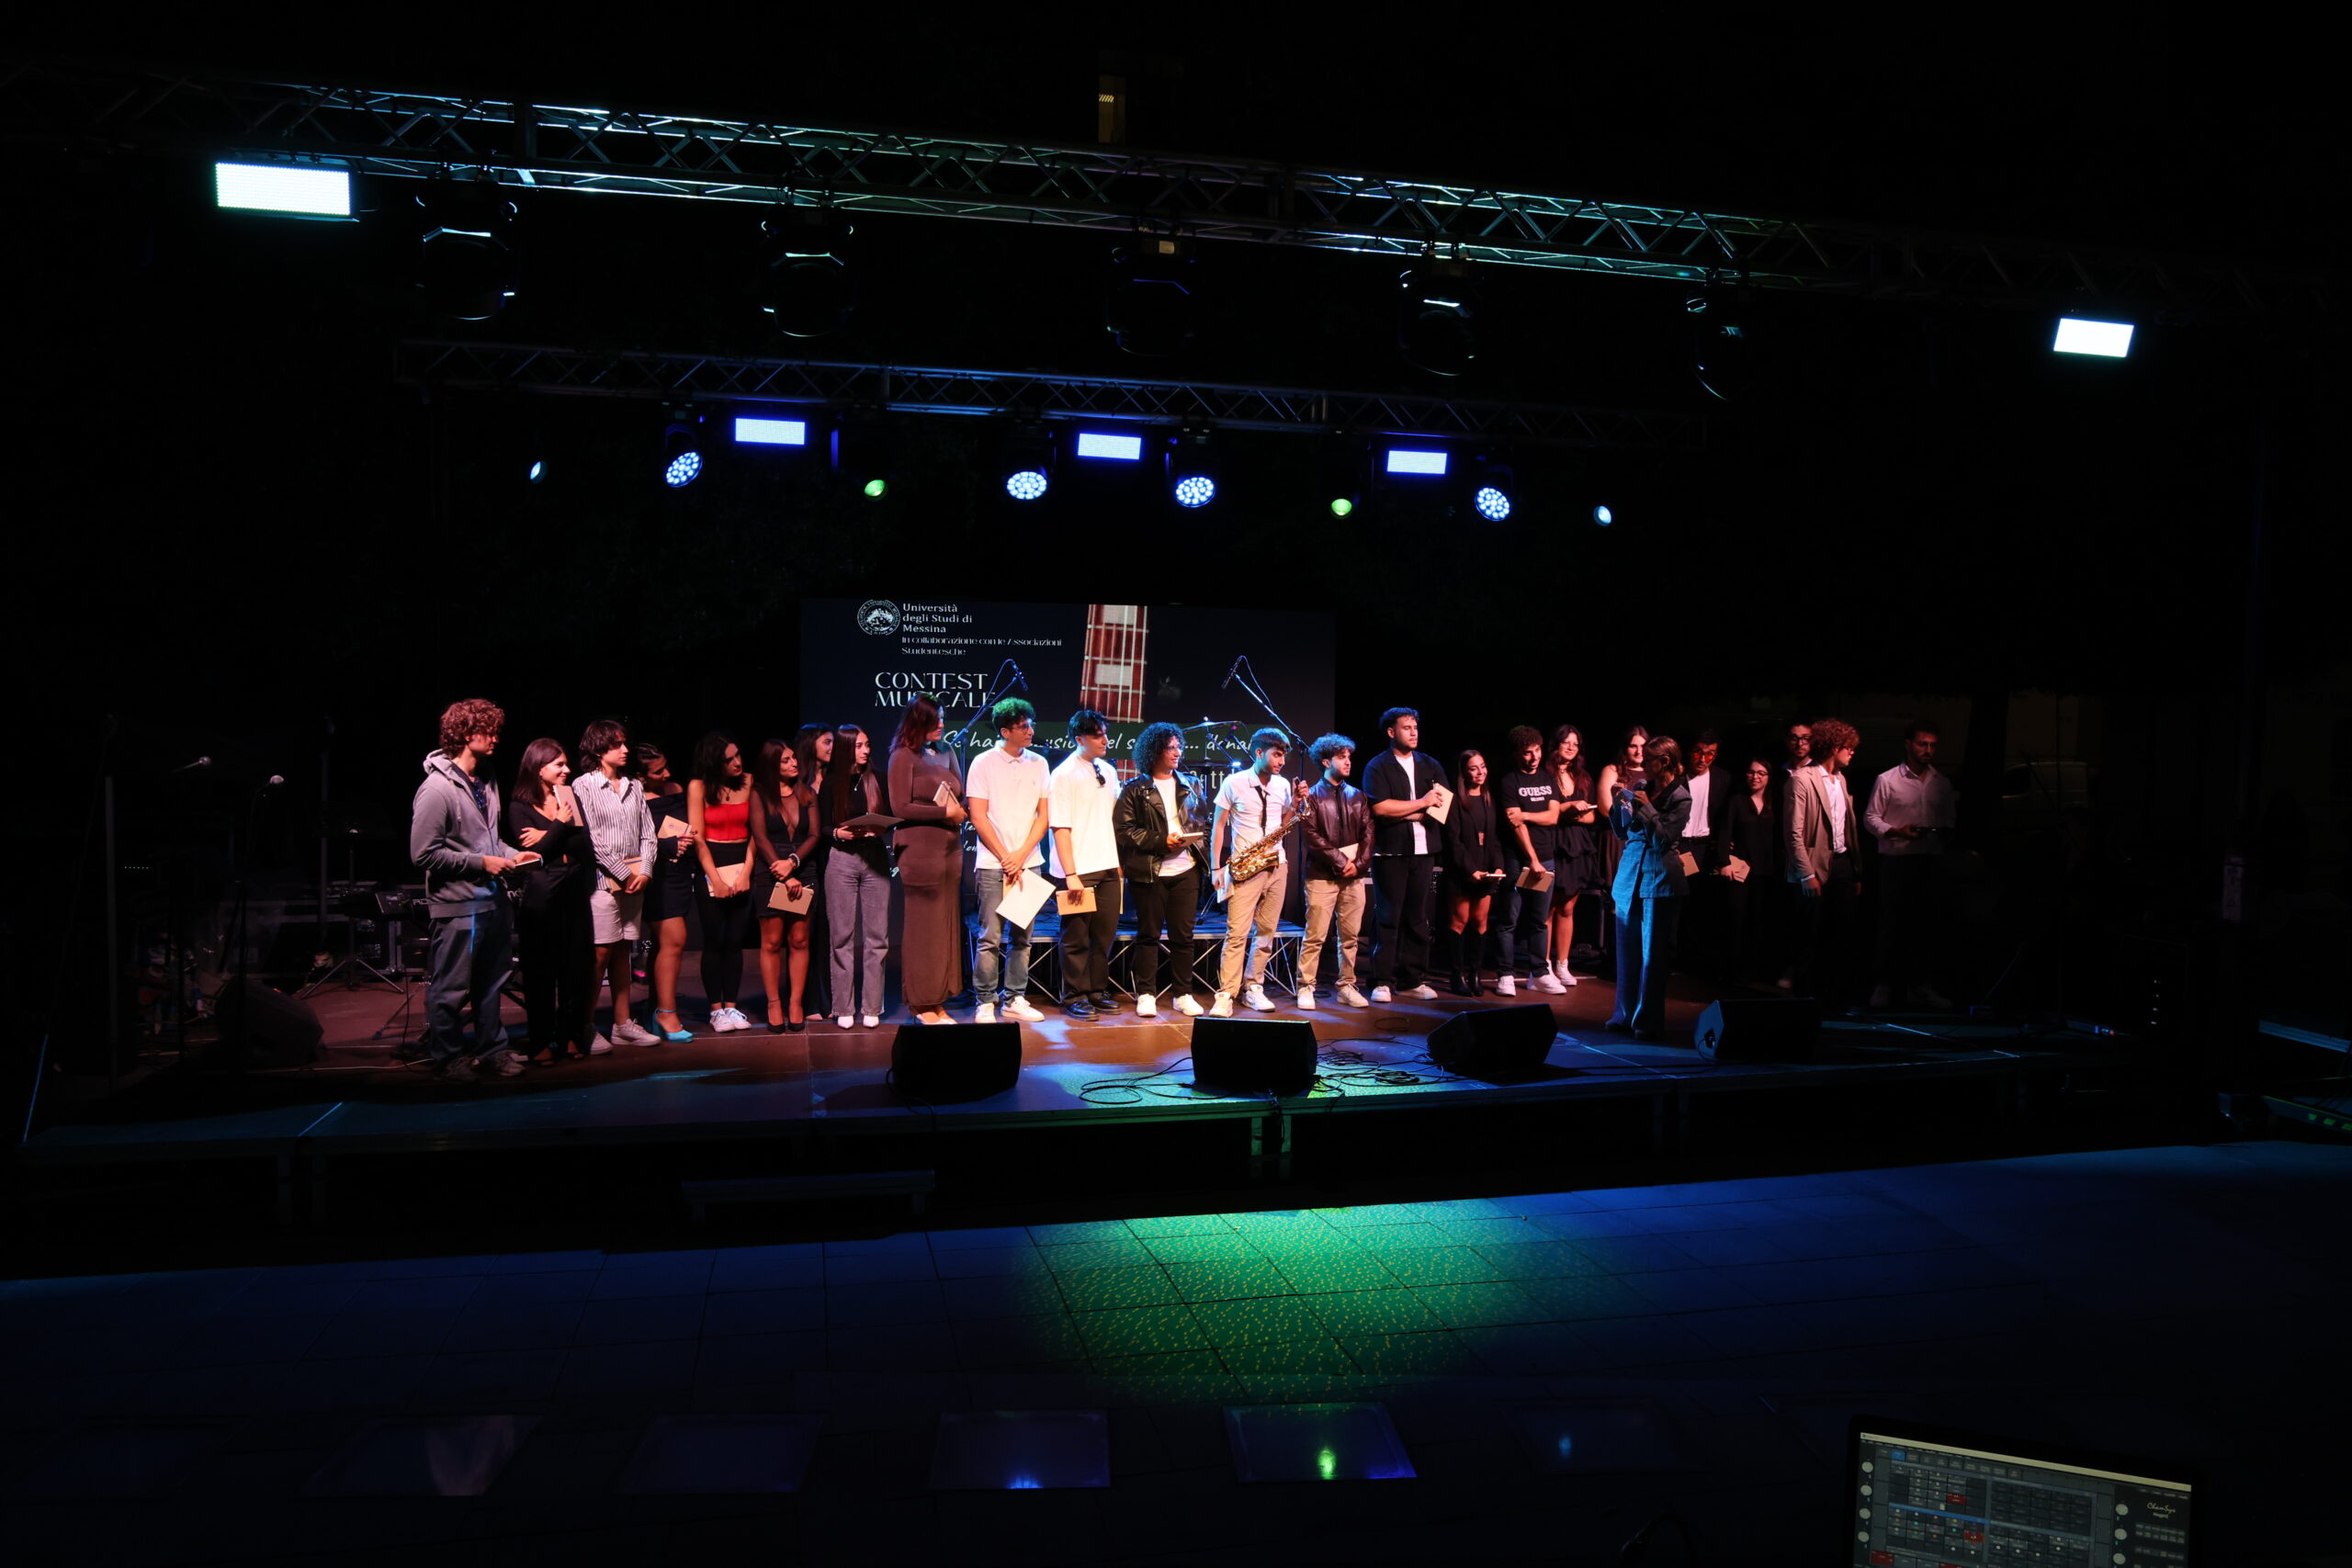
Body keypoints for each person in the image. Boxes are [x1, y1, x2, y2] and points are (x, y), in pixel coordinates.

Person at [409, 698, 527, 1082]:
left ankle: (492, 1051)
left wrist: (513, 854)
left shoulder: (486, 780)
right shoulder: (436, 789)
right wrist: (481, 863)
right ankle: (448, 1058)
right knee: (451, 989)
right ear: (464, 734)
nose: (495, 738)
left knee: (491, 984)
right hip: (458, 904)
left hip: (492, 901)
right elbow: (423, 853)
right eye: (487, 731)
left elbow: (487, 842)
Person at [503, 738, 597, 1062]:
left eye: (565, 763)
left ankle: (570, 1036)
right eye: (559, 764)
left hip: (575, 889)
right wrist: (559, 825)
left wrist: (547, 835)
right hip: (542, 893)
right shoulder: (519, 806)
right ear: (538, 768)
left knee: (575, 968)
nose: (567, 769)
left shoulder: (568, 797)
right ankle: (541, 1040)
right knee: (541, 971)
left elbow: (585, 844)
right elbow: (535, 854)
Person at [965, 698, 1051, 1024]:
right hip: (993, 864)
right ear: (1005, 731)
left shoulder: (1039, 763)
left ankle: (1015, 997)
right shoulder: (983, 763)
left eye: (1031, 724)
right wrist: (1005, 857)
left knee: (1022, 938)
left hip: (1029, 862)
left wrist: (1021, 855)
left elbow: (1044, 816)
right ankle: (985, 1000)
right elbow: (978, 816)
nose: (1030, 731)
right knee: (990, 937)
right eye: (1023, 726)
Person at [574, 719, 659, 1048]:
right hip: (603, 882)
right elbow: (592, 838)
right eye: (616, 744)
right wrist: (623, 873)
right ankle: (584, 1026)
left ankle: (622, 1023)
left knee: (624, 950)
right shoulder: (584, 785)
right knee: (600, 953)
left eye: (625, 743)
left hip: (635, 882)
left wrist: (645, 871)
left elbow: (647, 833)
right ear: (599, 749)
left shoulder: (633, 785)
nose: (625, 750)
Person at [1114, 721, 1208, 1018]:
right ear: (1154, 751)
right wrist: (1160, 841)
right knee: (1149, 935)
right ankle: (1146, 993)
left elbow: (1202, 821)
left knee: (1184, 937)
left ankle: (1183, 994)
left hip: (1186, 870)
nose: (1177, 752)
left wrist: (1192, 840)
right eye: (1170, 747)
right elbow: (1124, 830)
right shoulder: (1135, 788)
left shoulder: (1191, 784)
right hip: (1150, 871)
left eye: (1179, 746)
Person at [1863, 719, 1959, 1010]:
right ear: (1908, 744)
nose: (1928, 750)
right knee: (1892, 925)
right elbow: (1871, 818)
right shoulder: (1888, 780)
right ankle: (1884, 985)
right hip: (1897, 861)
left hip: (1929, 861)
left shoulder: (1941, 782)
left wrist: (1941, 833)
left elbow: (1949, 820)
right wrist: (1897, 831)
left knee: (1927, 925)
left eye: (1932, 745)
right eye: (1922, 744)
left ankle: (1920, 986)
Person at [888, 696, 967, 1028]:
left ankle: (938, 1001)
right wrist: (944, 812)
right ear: (918, 722)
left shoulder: (946, 751)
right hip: (920, 851)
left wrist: (957, 810)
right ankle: (921, 1003)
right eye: (935, 720)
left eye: (943, 718)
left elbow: (960, 794)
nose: (942, 725)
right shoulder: (902, 755)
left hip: (949, 850)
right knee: (924, 930)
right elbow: (899, 807)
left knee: (944, 928)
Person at [1605, 735, 1690, 1041]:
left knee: (1652, 955)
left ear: (1664, 761)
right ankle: (1623, 1014)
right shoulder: (1643, 786)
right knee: (1626, 952)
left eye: (1649, 759)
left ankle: (1648, 1020)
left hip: (1659, 877)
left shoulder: (1680, 797)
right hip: (1630, 875)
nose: (1644, 764)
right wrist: (1619, 804)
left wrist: (1647, 809)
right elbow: (1622, 832)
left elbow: (1663, 839)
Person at [1362, 707, 1449, 1003]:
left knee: (1417, 918)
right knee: (1388, 916)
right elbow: (1380, 808)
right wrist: (1421, 804)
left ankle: (1412, 980)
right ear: (1391, 732)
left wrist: (1406, 810)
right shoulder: (1378, 766)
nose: (1414, 732)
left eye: (1415, 727)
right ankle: (1382, 980)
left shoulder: (1430, 765)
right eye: (1406, 728)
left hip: (1424, 852)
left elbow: (1443, 807)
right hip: (1390, 852)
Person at [1208, 729, 1295, 1016]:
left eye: (1284, 755)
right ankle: (1226, 993)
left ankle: (1253, 987)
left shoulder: (1283, 784)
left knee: (1266, 932)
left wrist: (1296, 805)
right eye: (1276, 755)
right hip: (1245, 868)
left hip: (1277, 864)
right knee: (1237, 933)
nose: (1282, 761)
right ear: (1259, 753)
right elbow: (1218, 826)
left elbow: (1284, 823)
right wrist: (1216, 866)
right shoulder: (1234, 782)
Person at [1047, 709, 1124, 1020]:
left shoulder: (1108, 770)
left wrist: (1118, 862)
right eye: (1097, 735)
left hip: (1107, 866)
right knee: (1076, 936)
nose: (1105, 740)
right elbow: (1060, 828)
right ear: (1079, 739)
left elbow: (1114, 819)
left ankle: (1095, 990)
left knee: (1104, 934)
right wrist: (1071, 874)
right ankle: (1074, 995)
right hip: (1078, 868)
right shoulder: (1063, 774)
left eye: (1105, 733)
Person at [1787, 717, 1864, 1010]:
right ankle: (1805, 999)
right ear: (1834, 747)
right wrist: (1806, 873)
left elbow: (1847, 828)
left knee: (1841, 932)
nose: (1852, 752)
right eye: (1848, 747)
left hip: (1842, 863)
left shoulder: (1840, 780)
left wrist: (1856, 870)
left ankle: (1835, 997)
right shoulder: (1801, 779)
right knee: (1810, 934)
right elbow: (1793, 833)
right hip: (1814, 866)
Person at [820, 723, 890, 1029]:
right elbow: (822, 826)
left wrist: (881, 826)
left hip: (874, 856)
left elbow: (891, 815)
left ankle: (872, 1006)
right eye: (859, 746)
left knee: (877, 937)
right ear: (847, 748)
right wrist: (838, 832)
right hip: (842, 858)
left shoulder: (878, 779)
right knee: (842, 937)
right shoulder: (831, 782)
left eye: (867, 745)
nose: (865, 751)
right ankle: (844, 1007)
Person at [748, 737, 820, 1032]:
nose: (794, 763)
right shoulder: (759, 794)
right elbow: (760, 837)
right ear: (771, 765)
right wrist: (783, 872)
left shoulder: (807, 793)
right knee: (772, 942)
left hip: (803, 869)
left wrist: (793, 863)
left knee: (800, 940)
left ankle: (796, 1003)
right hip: (771, 870)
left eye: (794, 758)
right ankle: (774, 1003)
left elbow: (814, 835)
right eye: (786, 760)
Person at [687, 733, 757, 1033]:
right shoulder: (698, 787)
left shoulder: (750, 782)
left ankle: (732, 1006)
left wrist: (745, 874)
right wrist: (714, 879)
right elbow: (697, 838)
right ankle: (716, 1010)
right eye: (729, 759)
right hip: (711, 864)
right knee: (714, 940)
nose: (737, 762)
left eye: (738, 755)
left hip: (743, 862)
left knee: (735, 941)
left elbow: (757, 833)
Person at [1298, 732, 1374, 1009]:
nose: (1348, 762)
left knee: (1350, 937)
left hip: (1354, 877)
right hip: (1322, 876)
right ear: (1326, 761)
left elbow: (1369, 833)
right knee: (1315, 936)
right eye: (1342, 757)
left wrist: (1359, 865)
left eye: (1349, 757)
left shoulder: (1358, 796)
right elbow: (1312, 836)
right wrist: (1342, 862)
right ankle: (1306, 986)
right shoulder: (1311, 796)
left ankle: (1347, 986)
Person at [635, 742, 697, 1043]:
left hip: (680, 872)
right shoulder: (634, 799)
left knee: (665, 944)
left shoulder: (675, 789)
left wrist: (686, 839)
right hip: (657, 875)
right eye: (658, 771)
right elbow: (632, 842)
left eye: (666, 767)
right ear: (640, 776)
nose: (667, 774)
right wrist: (668, 845)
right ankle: (666, 1013)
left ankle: (654, 1007)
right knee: (674, 939)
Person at [1496, 726, 1563, 997]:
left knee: (1539, 920)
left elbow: (1553, 816)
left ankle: (1540, 973)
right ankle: (1505, 974)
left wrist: (1526, 815)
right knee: (1509, 920)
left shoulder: (1548, 779)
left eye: (1537, 750)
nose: (1534, 757)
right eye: (1527, 752)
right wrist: (1532, 860)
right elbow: (1515, 824)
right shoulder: (1509, 782)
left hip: (1547, 858)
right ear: (1517, 754)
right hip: (1518, 860)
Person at [1442, 748, 1508, 995]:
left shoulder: (1489, 799)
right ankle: (1457, 974)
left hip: (1486, 872)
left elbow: (1494, 839)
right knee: (1459, 921)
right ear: (1464, 772)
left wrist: (1497, 865)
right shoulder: (1455, 801)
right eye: (1473, 768)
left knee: (1481, 922)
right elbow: (1453, 842)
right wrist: (1471, 870)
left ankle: (1474, 973)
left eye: (1483, 766)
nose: (1480, 772)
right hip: (1462, 873)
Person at [1544, 725, 1603, 987]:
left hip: (1577, 845)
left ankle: (1563, 964)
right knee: (1547, 907)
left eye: (1575, 744)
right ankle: (1543, 963)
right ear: (1555, 744)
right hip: (1552, 842)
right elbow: (1545, 812)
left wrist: (1571, 814)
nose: (1570, 747)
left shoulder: (1583, 777)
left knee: (1567, 907)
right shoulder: (1544, 775)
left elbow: (1592, 816)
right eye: (1566, 742)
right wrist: (1566, 808)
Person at [1719, 756, 1784, 986]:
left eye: (1760, 773)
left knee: (1759, 923)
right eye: (1751, 772)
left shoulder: (1776, 803)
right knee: (1736, 921)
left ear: (1769, 777)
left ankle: (1754, 972)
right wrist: (1724, 862)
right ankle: (1732, 973)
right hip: (1740, 871)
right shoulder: (1737, 801)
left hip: (1766, 871)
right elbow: (1725, 832)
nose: (1755, 777)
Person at [1677, 731, 1734, 977]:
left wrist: (1723, 851)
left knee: (1700, 906)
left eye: (1709, 754)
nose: (1703, 759)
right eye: (1699, 752)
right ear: (1691, 752)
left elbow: (1725, 818)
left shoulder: (1723, 778)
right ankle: (1673, 956)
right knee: (1677, 903)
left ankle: (1695, 959)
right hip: (1680, 846)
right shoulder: (1677, 776)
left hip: (1705, 847)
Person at [792, 725, 835, 1017]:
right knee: (803, 932)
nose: (832, 747)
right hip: (805, 861)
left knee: (828, 930)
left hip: (832, 857)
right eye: (826, 742)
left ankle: (828, 1000)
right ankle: (807, 1001)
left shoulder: (835, 778)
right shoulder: (797, 781)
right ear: (811, 744)